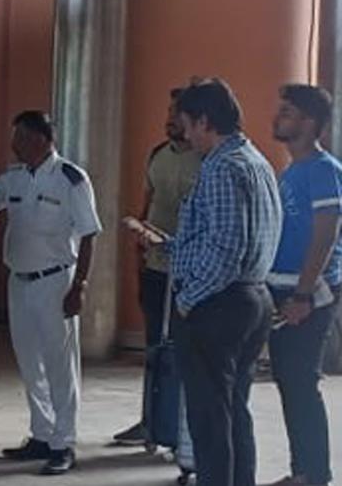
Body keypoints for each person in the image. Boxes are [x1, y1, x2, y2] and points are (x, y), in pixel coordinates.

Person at [133, 79, 280, 486]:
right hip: (253, 297)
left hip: (218, 304)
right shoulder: (255, 161)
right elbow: (229, 237)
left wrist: (188, 300)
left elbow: (226, 251)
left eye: (186, 124)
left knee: (209, 422)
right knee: (233, 411)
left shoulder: (220, 167)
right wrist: (169, 244)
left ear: (204, 121)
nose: (183, 133)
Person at [0, 111, 102, 476]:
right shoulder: (14, 178)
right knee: (28, 361)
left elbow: (89, 234)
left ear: (41, 139)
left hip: (57, 282)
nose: (14, 144)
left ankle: (63, 442)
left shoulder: (71, 179)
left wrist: (80, 286)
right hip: (19, 281)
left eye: (20, 137)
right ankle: (41, 434)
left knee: (59, 365)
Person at [113, 87, 203, 446]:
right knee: (154, 348)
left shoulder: (207, 159)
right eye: (168, 113)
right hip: (155, 266)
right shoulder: (157, 155)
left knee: (187, 350)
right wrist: (138, 258)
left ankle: (181, 428)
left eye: (176, 115)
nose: (169, 120)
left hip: (191, 270)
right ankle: (150, 420)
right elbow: (146, 207)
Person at [264, 84, 342, 486]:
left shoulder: (324, 170)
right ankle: (302, 470)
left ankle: (314, 474)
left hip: (307, 293)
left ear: (310, 123)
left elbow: (325, 233)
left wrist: (304, 294)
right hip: (283, 289)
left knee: (300, 382)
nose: (279, 117)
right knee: (290, 383)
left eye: (288, 112)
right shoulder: (292, 170)